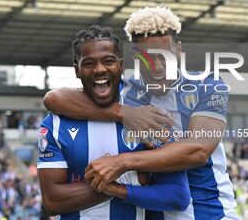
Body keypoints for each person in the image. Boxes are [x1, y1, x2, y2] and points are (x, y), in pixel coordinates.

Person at [43, 6, 241, 220]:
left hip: (211, 214)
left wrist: (122, 162)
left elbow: (198, 150)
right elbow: (54, 98)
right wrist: (125, 113)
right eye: (147, 58)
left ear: (178, 50)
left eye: (164, 57)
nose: (156, 67)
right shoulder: (128, 93)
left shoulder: (208, 86)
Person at [37, 25, 190, 220]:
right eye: (89, 63)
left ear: (121, 65)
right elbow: (53, 201)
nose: (99, 69)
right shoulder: (56, 124)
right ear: (77, 70)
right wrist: (133, 180)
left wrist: (118, 188)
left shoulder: (148, 117)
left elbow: (177, 196)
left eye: (108, 61)